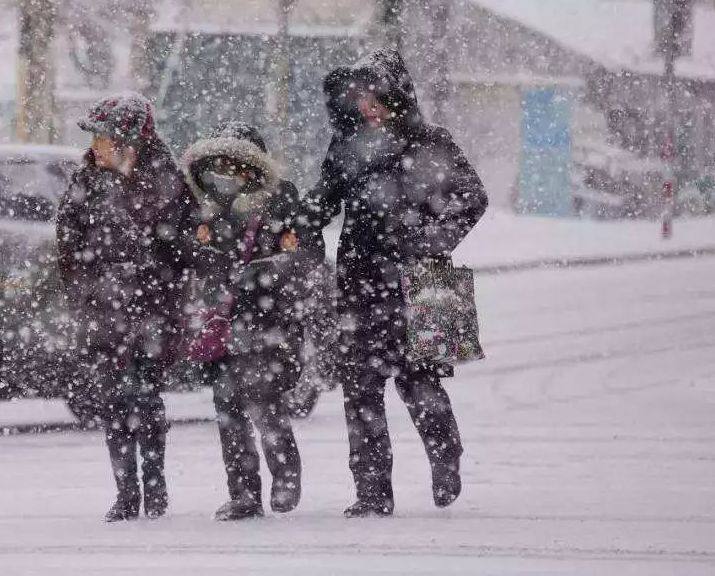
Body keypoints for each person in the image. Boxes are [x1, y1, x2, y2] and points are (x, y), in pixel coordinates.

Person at [299, 49, 488, 517]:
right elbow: (322, 204)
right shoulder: (346, 146)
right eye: (360, 96)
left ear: (397, 95)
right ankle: (371, 492)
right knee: (360, 390)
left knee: (419, 383)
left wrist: (428, 241)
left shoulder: (430, 142)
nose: (367, 105)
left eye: (375, 95)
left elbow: (472, 198)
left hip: (424, 282)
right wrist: (292, 222)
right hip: (360, 283)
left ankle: (446, 460)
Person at [56, 92, 195, 522]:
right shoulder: (85, 182)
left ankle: (154, 490)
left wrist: (161, 293)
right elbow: (68, 245)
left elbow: (185, 254)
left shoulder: (167, 183)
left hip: (152, 312)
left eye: (104, 137)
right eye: (95, 138)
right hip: (105, 314)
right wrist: (87, 294)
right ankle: (126, 492)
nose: (96, 146)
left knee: (148, 400)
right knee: (114, 404)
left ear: (130, 141)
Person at [180, 122, 315, 521]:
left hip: (268, 319)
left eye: (236, 163)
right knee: (227, 409)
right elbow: (191, 251)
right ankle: (243, 493)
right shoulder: (206, 204)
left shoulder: (282, 199)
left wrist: (266, 272)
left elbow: (305, 252)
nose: (227, 172)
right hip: (222, 320)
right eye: (221, 164)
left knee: (266, 404)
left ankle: (286, 476)